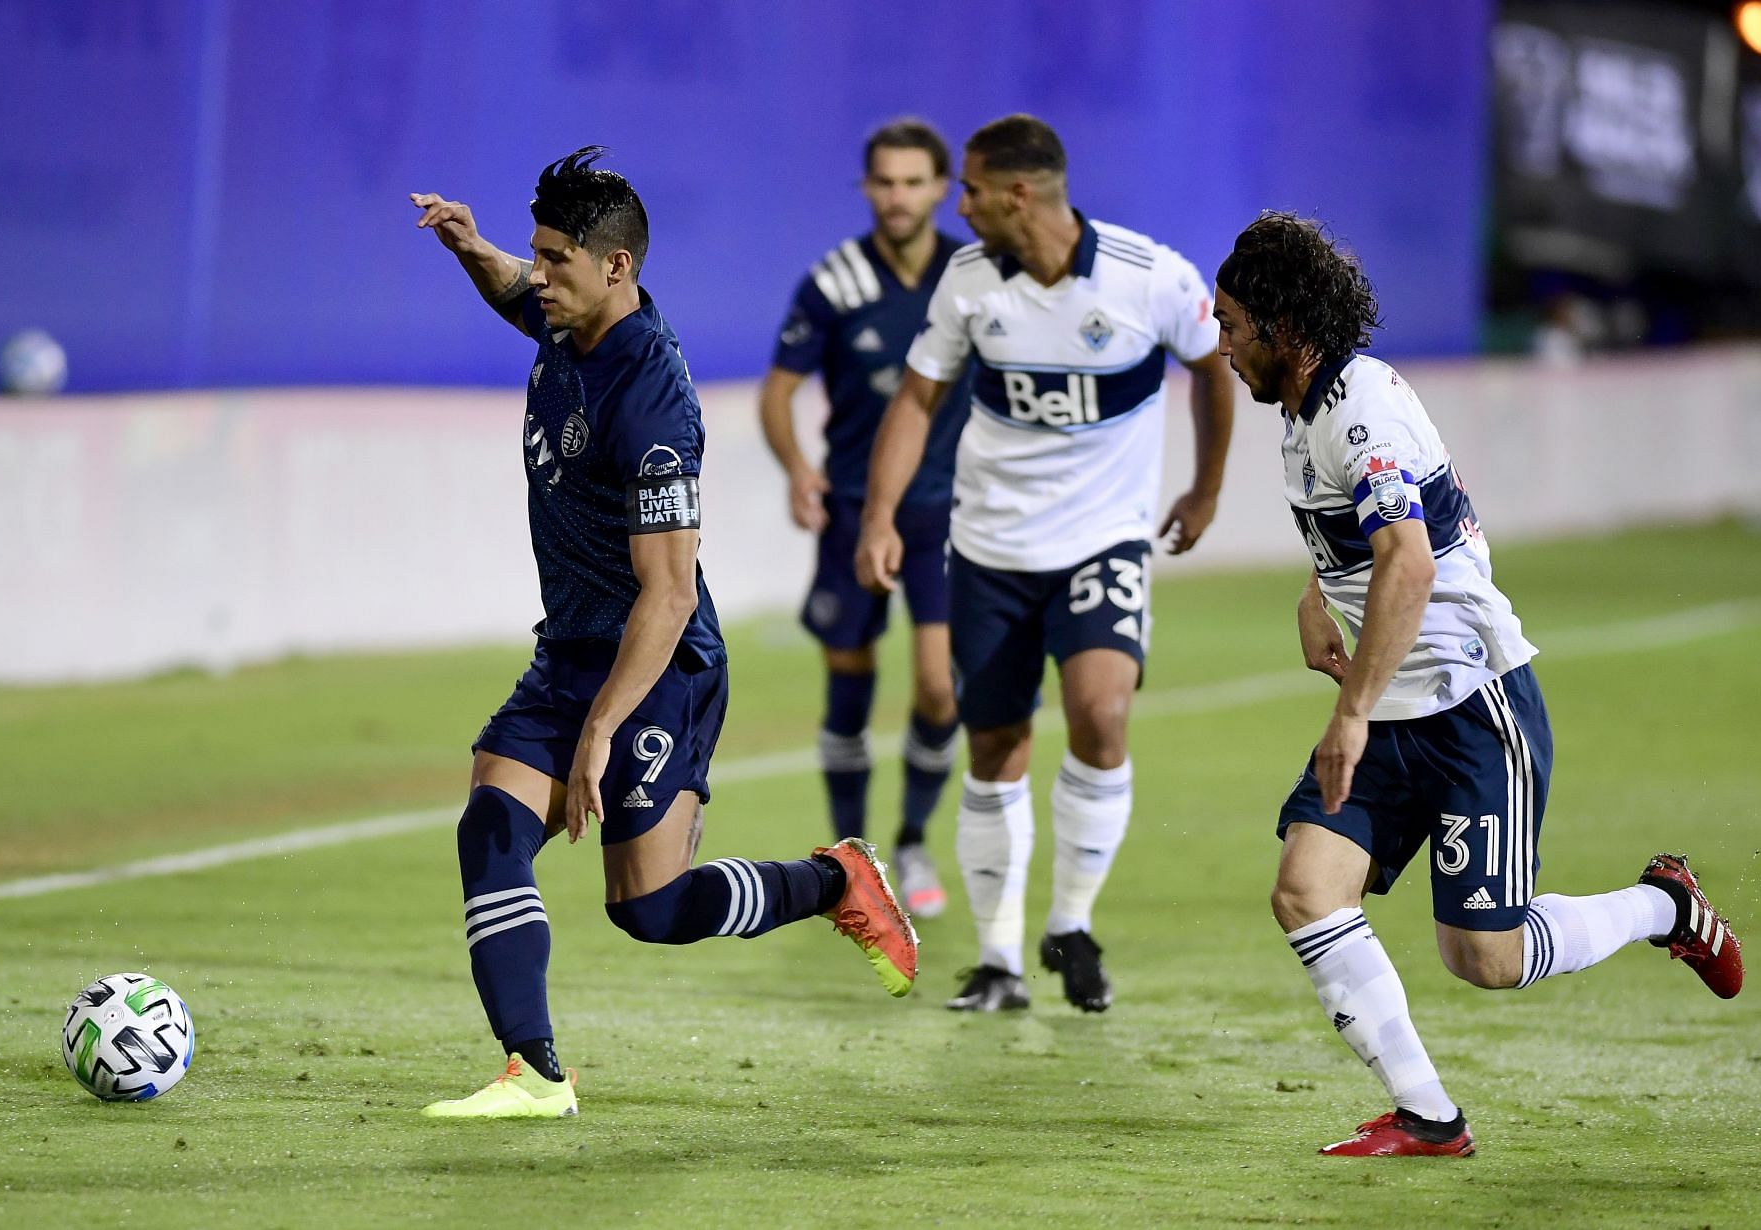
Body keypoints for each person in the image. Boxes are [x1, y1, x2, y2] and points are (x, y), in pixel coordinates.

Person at [1211, 211, 1744, 1157]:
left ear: (1286, 330)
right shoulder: (1303, 412)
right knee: (1305, 890)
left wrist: (1351, 712)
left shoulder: (1360, 407)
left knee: (1486, 959)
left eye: (1233, 325)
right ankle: (1430, 1117)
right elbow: (1372, 532)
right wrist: (1312, 593)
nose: (1222, 345)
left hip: (1468, 706)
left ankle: (1665, 905)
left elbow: (1408, 563)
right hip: (1394, 707)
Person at [408, 148, 918, 1120]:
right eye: (537, 253)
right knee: (490, 826)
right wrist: (470, 248)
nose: (539, 274)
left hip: (659, 667)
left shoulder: (654, 400)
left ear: (619, 269)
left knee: (650, 909)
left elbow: (672, 593)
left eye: (558, 260)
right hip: (570, 650)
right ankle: (535, 1071)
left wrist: (602, 729)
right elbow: (515, 289)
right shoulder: (567, 315)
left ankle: (833, 880)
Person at [854, 115, 1236, 1013]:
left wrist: (1206, 490)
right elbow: (917, 398)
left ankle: (1070, 922)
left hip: (1102, 542)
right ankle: (998, 960)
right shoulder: (969, 282)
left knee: (1101, 713)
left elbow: (1215, 366)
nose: (960, 204)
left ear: (1017, 195)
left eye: (972, 189)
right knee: (994, 745)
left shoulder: (1150, 277)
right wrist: (880, 515)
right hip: (988, 549)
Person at [759, 118, 974, 919]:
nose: (898, 197)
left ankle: (912, 835)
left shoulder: (975, 273)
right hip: (853, 507)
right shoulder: (835, 280)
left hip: (947, 513)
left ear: (943, 189)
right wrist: (799, 468)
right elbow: (778, 390)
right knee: (849, 673)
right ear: (866, 188)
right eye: (884, 182)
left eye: (914, 182)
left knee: (936, 687)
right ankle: (854, 858)